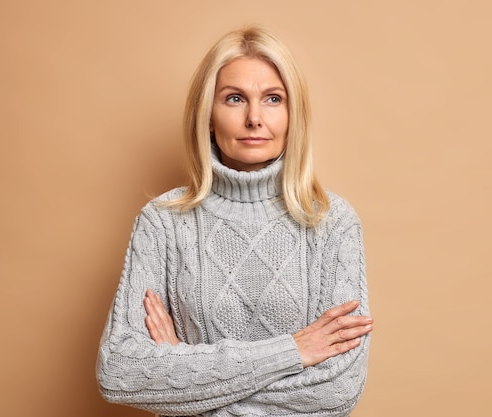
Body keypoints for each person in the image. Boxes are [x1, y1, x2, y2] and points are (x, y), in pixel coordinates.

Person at [97, 26, 373, 417]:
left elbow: (337, 389)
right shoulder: (163, 222)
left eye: (273, 99)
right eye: (234, 98)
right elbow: (120, 372)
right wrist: (292, 350)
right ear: (208, 115)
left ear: (294, 116)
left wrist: (184, 371)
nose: (254, 118)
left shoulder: (332, 221)